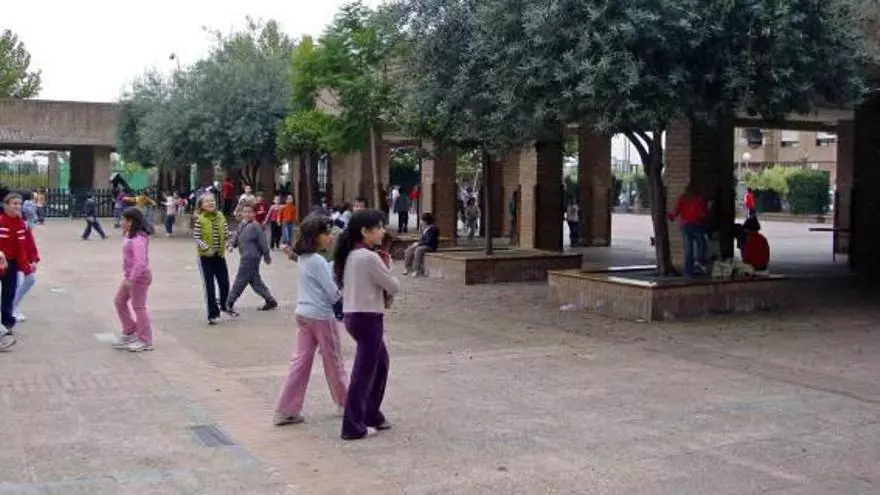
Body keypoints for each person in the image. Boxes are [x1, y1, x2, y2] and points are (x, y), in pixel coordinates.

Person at [333, 209, 400, 440]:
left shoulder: (351, 254)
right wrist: (388, 266)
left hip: (354, 315)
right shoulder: (369, 257)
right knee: (363, 373)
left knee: (380, 363)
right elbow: (393, 286)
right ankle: (353, 426)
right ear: (365, 231)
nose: (382, 231)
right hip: (368, 317)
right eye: (378, 227)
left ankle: (371, 414)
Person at [274, 216, 347, 426]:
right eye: (326, 233)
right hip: (321, 316)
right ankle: (346, 401)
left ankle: (286, 409)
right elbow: (332, 293)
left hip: (304, 313)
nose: (330, 237)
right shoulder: (317, 260)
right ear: (316, 236)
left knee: (300, 361)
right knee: (334, 361)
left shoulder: (305, 258)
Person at [111, 207, 154, 352]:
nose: (121, 222)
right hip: (130, 276)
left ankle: (145, 340)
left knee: (139, 307)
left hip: (138, 278)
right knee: (119, 301)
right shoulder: (130, 235)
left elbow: (140, 262)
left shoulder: (138, 239)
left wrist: (132, 279)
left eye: (123, 219)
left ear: (130, 222)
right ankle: (130, 331)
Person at [227, 203, 277, 313]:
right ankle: (270, 300)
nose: (247, 214)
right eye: (245, 212)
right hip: (245, 256)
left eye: (249, 212)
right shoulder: (242, 224)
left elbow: (263, 242)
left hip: (251, 258)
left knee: (241, 279)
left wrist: (267, 256)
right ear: (242, 213)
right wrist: (231, 244)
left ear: (254, 214)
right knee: (255, 281)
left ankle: (229, 301)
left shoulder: (255, 226)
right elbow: (236, 236)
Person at [193, 194, 235, 324]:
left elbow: (226, 233)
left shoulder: (220, 216)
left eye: (212, 201)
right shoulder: (200, 219)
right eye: (207, 201)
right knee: (209, 287)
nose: (211, 203)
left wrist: (229, 245)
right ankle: (212, 314)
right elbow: (197, 237)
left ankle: (224, 305)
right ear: (202, 206)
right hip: (205, 258)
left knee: (224, 284)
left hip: (219, 256)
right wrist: (206, 248)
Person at [0, 193, 38, 332]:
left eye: (19, 203)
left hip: (12, 264)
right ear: (6, 205)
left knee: (9, 293)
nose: (18, 206)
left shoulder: (22, 224)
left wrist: (32, 260)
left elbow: (29, 244)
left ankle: (7, 323)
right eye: (14, 203)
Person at [667, 183, 709, 279]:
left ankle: (688, 273)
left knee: (688, 250)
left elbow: (675, 213)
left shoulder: (683, 198)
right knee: (702, 244)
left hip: (685, 226)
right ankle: (700, 260)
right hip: (696, 225)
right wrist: (709, 208)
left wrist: (669, 215)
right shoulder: (699, 199)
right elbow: (702, 214)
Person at [403, 212, 439, 277]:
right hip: (423, 244)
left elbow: (429, 241)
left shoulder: (434, 229)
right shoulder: (424, 228)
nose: (421, 222)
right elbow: (422, 239)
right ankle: (407, 267)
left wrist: (418, 244)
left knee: (418, 250)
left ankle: (416, 270)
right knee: (410, 248)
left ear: (426, 221)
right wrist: (418, 242)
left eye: (422, 220)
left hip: (430, 246)